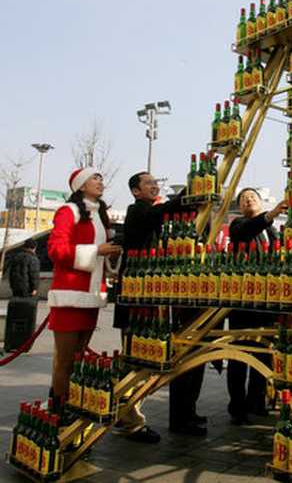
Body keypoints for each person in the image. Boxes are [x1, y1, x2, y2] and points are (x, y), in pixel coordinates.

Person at [113, 171, 207, 439]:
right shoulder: (137, 211)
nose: (154, 186)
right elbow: (163, 211)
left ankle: (128, 417)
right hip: (135, 297)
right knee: (135, 359)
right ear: (135, 191)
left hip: (148, 298)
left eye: (156, 182)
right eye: (148, 183)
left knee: (142, 359)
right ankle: (130, 421)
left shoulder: (153, 216)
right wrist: (195, 187)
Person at [47, 168, 122, 401]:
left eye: (101, 177)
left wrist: (109, 256)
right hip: (69, 295)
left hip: (90, 296)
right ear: (80, 186)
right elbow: (55, 250)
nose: (100, 181)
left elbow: (99, 257)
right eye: (95, 178)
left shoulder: (100, 215)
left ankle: (70, 404)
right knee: (65, 361)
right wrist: (97, 251)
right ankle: (59, 409)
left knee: (78, 359)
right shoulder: (68, 211)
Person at [227, 187, 287, 425]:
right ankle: (237, 407)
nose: (248, 201)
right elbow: (247, 230)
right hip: (243, 303)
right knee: (239, 357)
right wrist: (271, 214)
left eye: (252, 197)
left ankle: (256, 402)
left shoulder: (271, 231)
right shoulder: (238, 225)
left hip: (265, 303)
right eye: (243, 199)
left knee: (263, 355)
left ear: (261, 202)